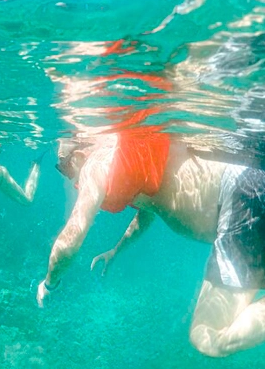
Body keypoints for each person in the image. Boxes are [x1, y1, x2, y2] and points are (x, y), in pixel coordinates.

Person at [36, 126, 265, 357]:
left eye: (63, 167)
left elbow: (70, 239)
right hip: (250, 186)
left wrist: (49, 283)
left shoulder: (94, 166)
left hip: (241, 200)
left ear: (77, 156)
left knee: (207, 337)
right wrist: (116, 250)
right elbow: (148, 211)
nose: (69, 176)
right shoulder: (129, 156)